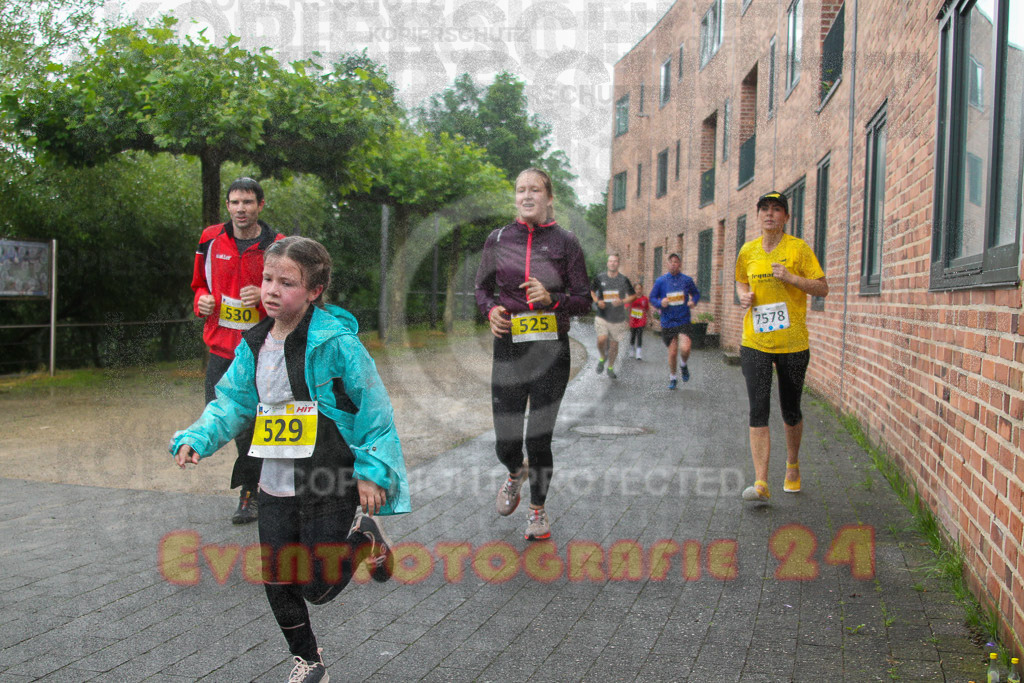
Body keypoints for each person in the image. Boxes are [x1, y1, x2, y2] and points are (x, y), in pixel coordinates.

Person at [171, 236, 410, 682]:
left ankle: (364, 540)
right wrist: (197, 437)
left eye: (287, 282)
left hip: (327, 477)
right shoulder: (254, 343)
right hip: (274, 481)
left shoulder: (336, 343)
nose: (272, 290)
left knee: (316, 586)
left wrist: (373, 472)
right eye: (266, 279)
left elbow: (374, 408)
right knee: (279, 578)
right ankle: (307, 658)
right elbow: (232, 403)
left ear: (314, 291)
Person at [474, 167, 591, 541]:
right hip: (508, 347)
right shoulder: (497, 239)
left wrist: (552, 299)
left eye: (535, 190)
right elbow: (481, 289)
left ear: (549, 197)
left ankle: (538, 512)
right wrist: (490, 311)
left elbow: (583, 300)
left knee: (538, 438)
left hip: (550, 351)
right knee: (506, 441)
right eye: (521, 189)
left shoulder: (566, 242)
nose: (527, 195)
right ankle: (514, 472)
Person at [192, 177, 284, 524]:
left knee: (265, 418)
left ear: (261, 205)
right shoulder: (209, 239)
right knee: (230, 419)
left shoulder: (278, 245)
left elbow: (292, 291)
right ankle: (255, 484)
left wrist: (263, 298)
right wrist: (199, 300)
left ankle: (253, 490)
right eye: (234, 202)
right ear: (227, 206)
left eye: (248, 202)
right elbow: (199, 283)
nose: (240, 209)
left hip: (265, 346)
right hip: (222, 348)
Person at [735, 191, 829, 502]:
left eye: (777, 209)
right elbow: (741, 281)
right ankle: (761, 482)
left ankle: (792, 465)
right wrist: (743, 296)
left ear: (786, 217)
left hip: (792, 343)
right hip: (756, 342)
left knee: (790, 410)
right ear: (758, 215)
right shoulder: (747, 251)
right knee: (758, 409)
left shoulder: (798, 249)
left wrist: (791, 277)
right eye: (765, 209)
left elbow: (822, 287)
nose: (770, 214)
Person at [649, 253, 701, 389]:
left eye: (676, 262)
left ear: (680, 264)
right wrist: (661, 302)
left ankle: (683, 365)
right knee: (672, 352)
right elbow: (652, 298)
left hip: (683, 319)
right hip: (668, 320)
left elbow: (696, 294)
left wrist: (693, 302)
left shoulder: (686, 280)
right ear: (667, 263)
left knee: (685, 348)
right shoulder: (661, 281)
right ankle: (673, 377)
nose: (673, 264)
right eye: (671, 261)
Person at [590, 253, 636, 379]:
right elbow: (592, 291)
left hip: (617, 317)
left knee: (614, 345)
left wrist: (622, 301)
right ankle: (602, 357)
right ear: (607, 263)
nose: (613, 263)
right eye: (610, 261)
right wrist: (597, 301)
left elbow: (633, 296)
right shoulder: (600, 278)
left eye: (615, 261)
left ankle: (610, 367)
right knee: (602, 339)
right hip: (602, 315)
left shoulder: (623, 280)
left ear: (618, 264)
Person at [628, 278, 650, 360]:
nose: (638, 290)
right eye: (636, 289)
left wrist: (650, 319)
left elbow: (647, 309)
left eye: (640, 289)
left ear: (642, 289)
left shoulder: (645, 299)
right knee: (633, 335)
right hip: (633, 320)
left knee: (640, 335)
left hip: (641, 320)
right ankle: (631, 349)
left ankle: (638, 353)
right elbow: (627, 308)